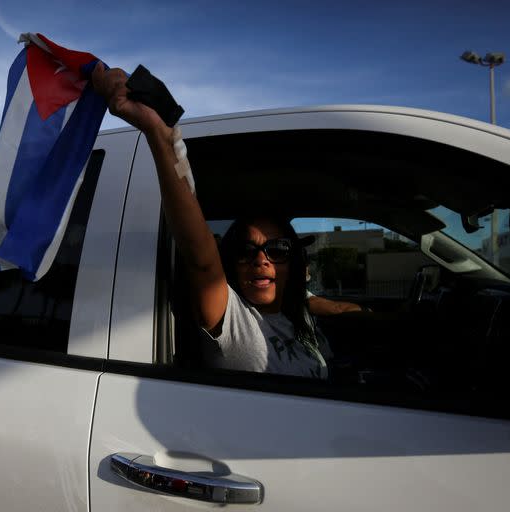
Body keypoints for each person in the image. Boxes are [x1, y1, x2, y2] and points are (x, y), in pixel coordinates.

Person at [92, 64, 331, 379]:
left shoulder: (297, 311)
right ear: (231, 261)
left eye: (278, 249)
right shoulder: (231, 319)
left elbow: (331, 306)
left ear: (295, 263)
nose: (261, 260)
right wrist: (160, 135)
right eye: (246, 250)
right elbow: (200, 254)